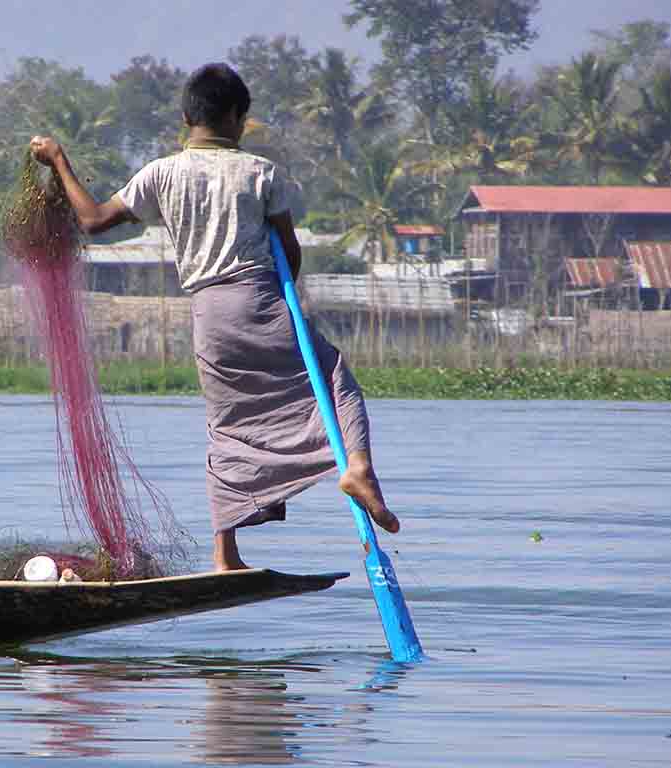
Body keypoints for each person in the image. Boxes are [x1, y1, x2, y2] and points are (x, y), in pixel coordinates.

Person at [30, 62, 399, 572]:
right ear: (236, 117)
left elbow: (91, 220)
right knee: (334, 375)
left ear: (186, 117)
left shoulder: (161, 173)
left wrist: (57, 159)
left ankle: (226, 554)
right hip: (257, 300)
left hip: (208, 317)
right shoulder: (260, 173)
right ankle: (358, 468)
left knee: (225, 426)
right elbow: (290, 256)